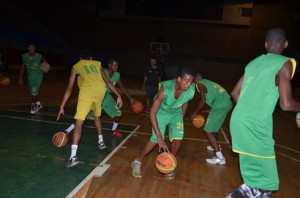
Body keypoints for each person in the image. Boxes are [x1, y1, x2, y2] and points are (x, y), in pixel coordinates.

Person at [227, 27, 300, 197]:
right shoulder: (285, 62)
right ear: (286, 44)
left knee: (257, 182)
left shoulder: (253, 63)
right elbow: (287, 104)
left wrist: (249, 109)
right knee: (266, 183)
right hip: (255, 127)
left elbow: (234, 92)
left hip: (238, 122)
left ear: (266, 44)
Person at [57, 50, 123, 168]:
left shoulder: (77, 65)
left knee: (79, 122)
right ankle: (101, 142)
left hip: (87, 92)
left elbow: (69, 88)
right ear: (91, 58)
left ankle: (73, 157)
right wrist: (118, 95)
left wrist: (62, 106)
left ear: (81, 59)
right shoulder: (98, 64)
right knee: (96, 115)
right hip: (100, 92)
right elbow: (107, 81)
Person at [132, 67, 195, 179]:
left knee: (178, 141)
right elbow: (152, 112)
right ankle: (137, 161)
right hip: (161, 111)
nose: (189, 84)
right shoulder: (166, 89)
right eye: (187, 81)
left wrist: (181, 117)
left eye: (191, 82)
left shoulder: (191, 91)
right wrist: (160, 138)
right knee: (155, 140)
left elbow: (186, 102)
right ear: (179, 79)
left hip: (176, 113)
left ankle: (169, 164)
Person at [64, 59, 136, 138]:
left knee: (118, 113)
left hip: (107, 96)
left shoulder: (117, 75)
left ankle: (113, 130)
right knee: (83, 117)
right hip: (98, 95)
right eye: (114, 65)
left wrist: (130, 98)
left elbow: (122, 87)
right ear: (109, 65)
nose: (116, 67)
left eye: (117, 65)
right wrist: (79, 97)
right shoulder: (100, 70)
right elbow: (91, 83)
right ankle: (68, 130)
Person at [191, 73, 232, 165]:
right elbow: (216, 94)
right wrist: (212, 108)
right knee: (214, 128)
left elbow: (203, 100)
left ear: (197, 79)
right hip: (227, 103)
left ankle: (220, 158)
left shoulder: (200, 84)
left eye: (194, 80)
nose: (193, 82)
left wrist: (195, 112)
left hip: (220, 105)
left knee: (208, 130)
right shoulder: (208, 82)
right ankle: (215, 146)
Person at [19, 43, 48, 114]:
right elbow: (23, 67)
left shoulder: (39, 55)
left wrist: (45, 66)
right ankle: (38, 104)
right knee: (33, 91)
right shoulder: (24, 56)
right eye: (30, 47)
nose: (31, 49)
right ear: (27, 49)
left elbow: (45, 60)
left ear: (35, 49)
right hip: (30, 76)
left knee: (34, 91)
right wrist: (20, 77)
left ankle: (33, 106)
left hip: (38, 75)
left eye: (33, 47)